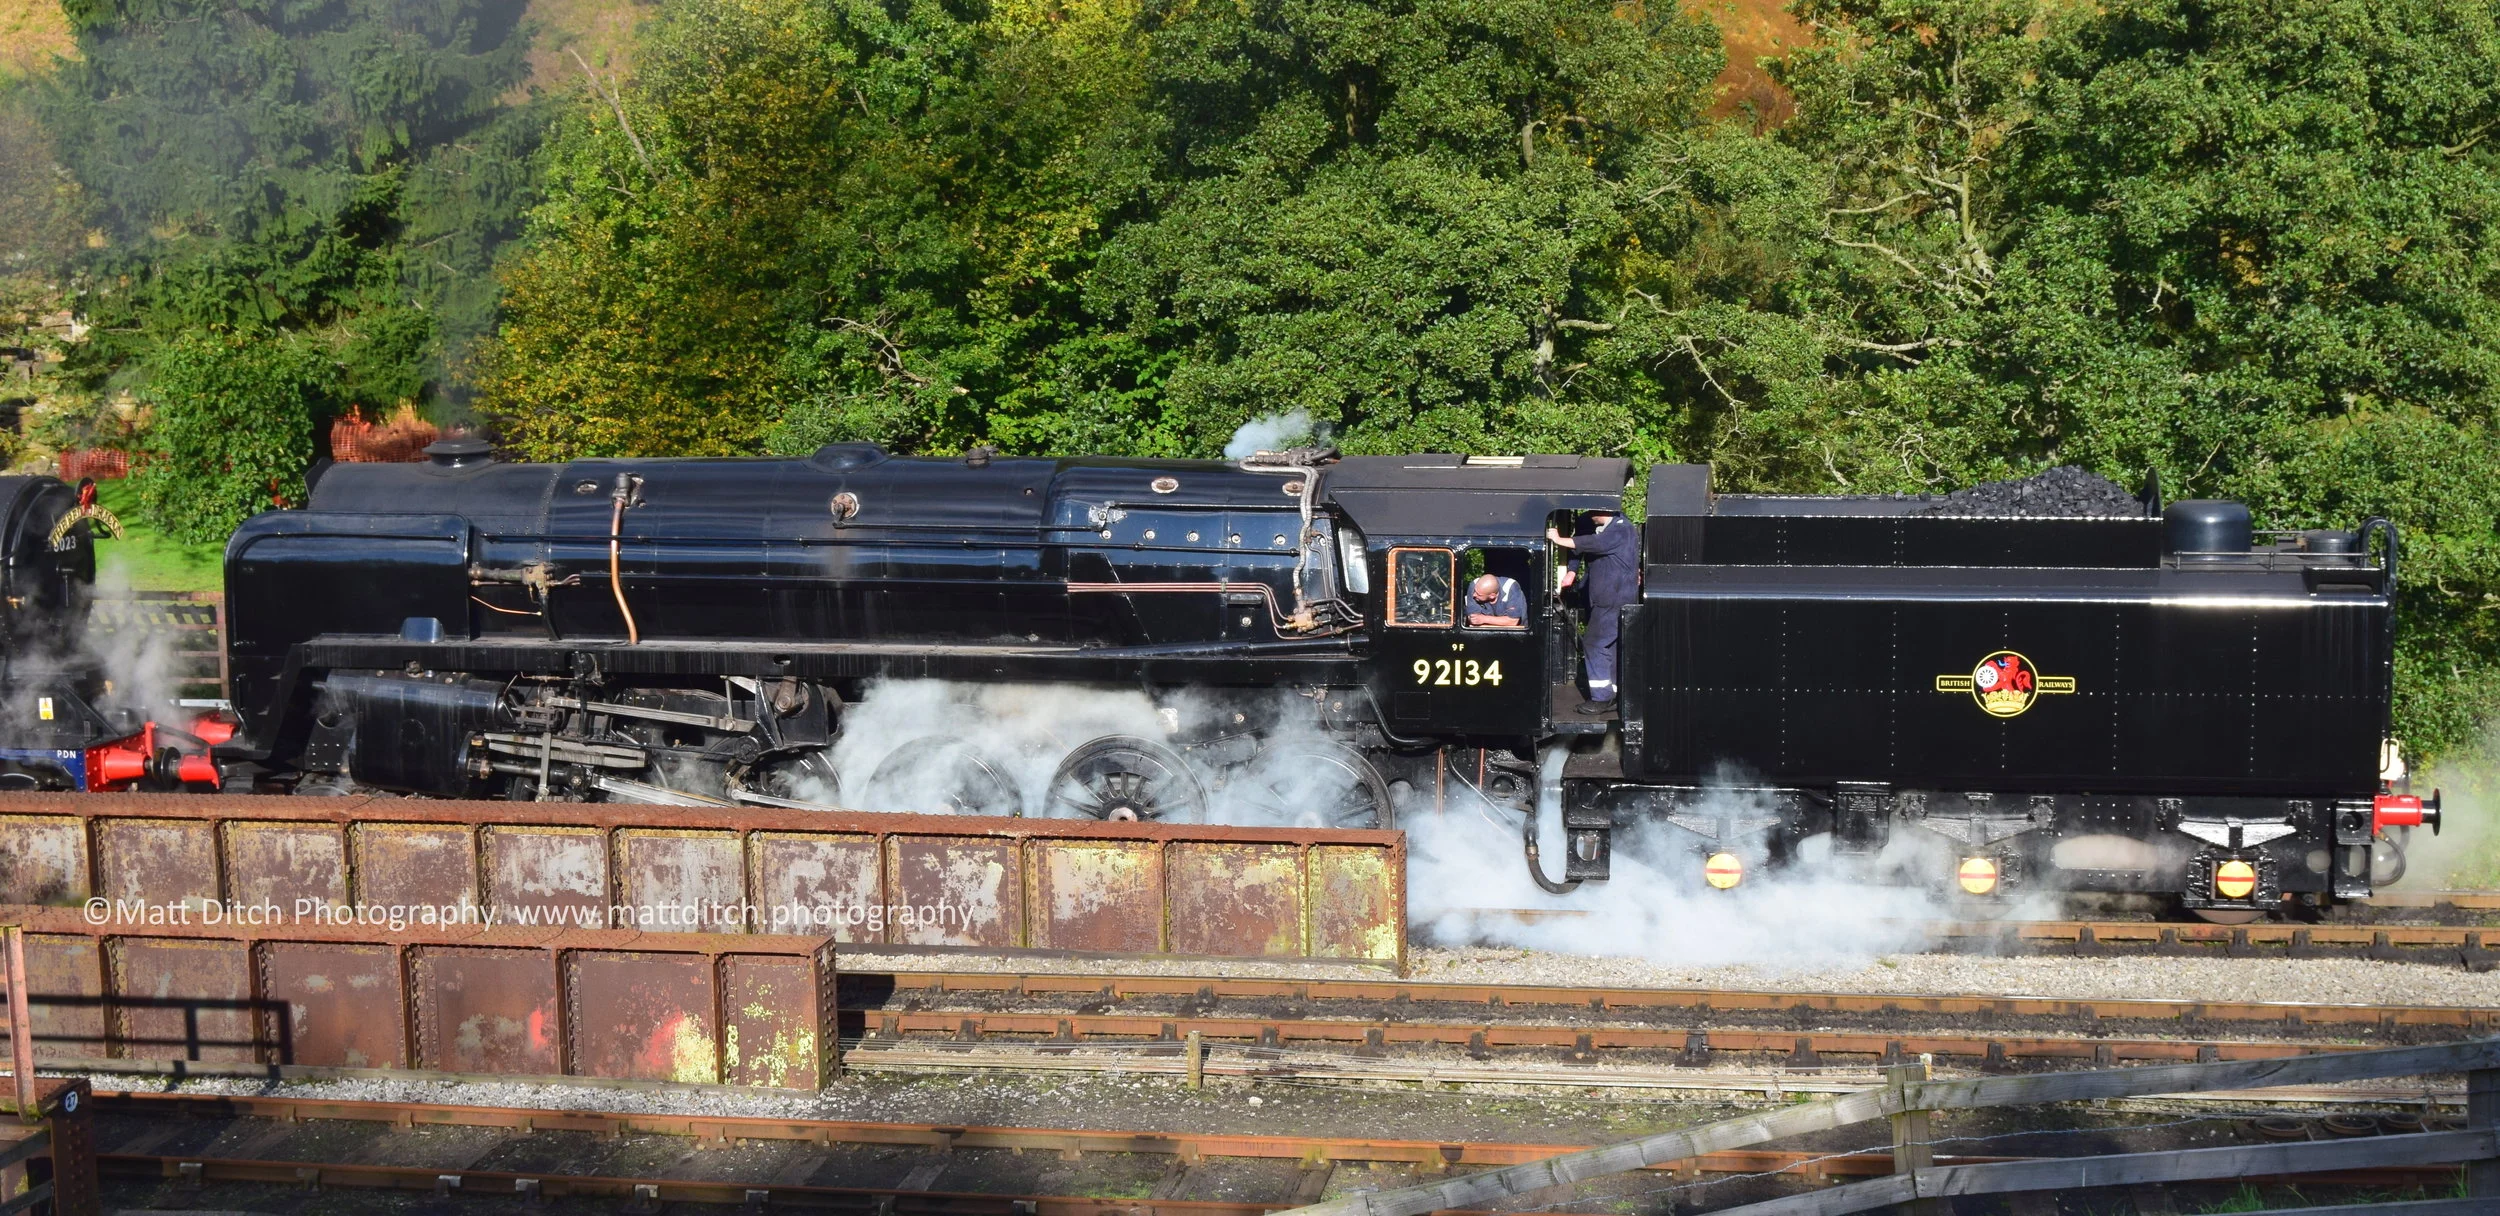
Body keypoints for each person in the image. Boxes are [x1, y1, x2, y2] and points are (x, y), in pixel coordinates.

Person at [1547, 509, 1638, 714]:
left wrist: (1558, 539)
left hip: (1612, 598)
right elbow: (1583, 541)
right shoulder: (1605, 525)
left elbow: (1592, 543)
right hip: (1607, 597)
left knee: (1594, 643)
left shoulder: (1621, 529)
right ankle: (1611, 693)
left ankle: (1601, 698)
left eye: (1591, 512)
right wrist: (1571, 570)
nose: (1588, 516)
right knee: (1609, 644)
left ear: (1602, 509)